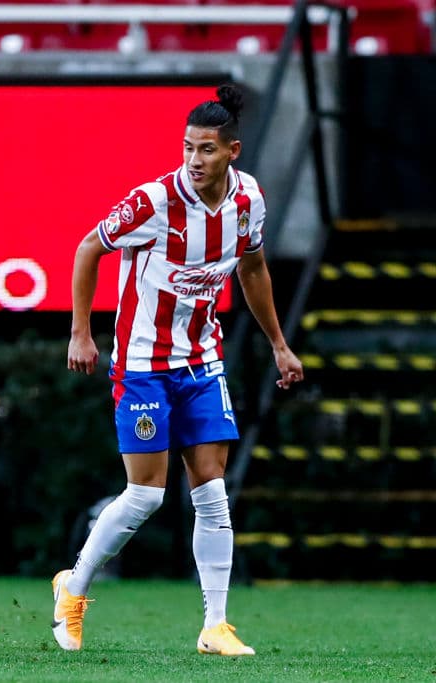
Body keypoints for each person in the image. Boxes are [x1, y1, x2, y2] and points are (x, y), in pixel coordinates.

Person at [55, 85, 304, 656]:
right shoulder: (153, 201)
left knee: (211, 492)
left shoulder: (248, 202)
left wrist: (279, 345)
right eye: (189, 147)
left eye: (208, 150)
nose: (195, 160)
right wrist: (80, 332)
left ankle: (215, 626)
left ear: (233, 151)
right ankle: (73, 587)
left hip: (202, 359)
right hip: (142, 364)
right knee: (145, 496)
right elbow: (88, 247)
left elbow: (254, 268)